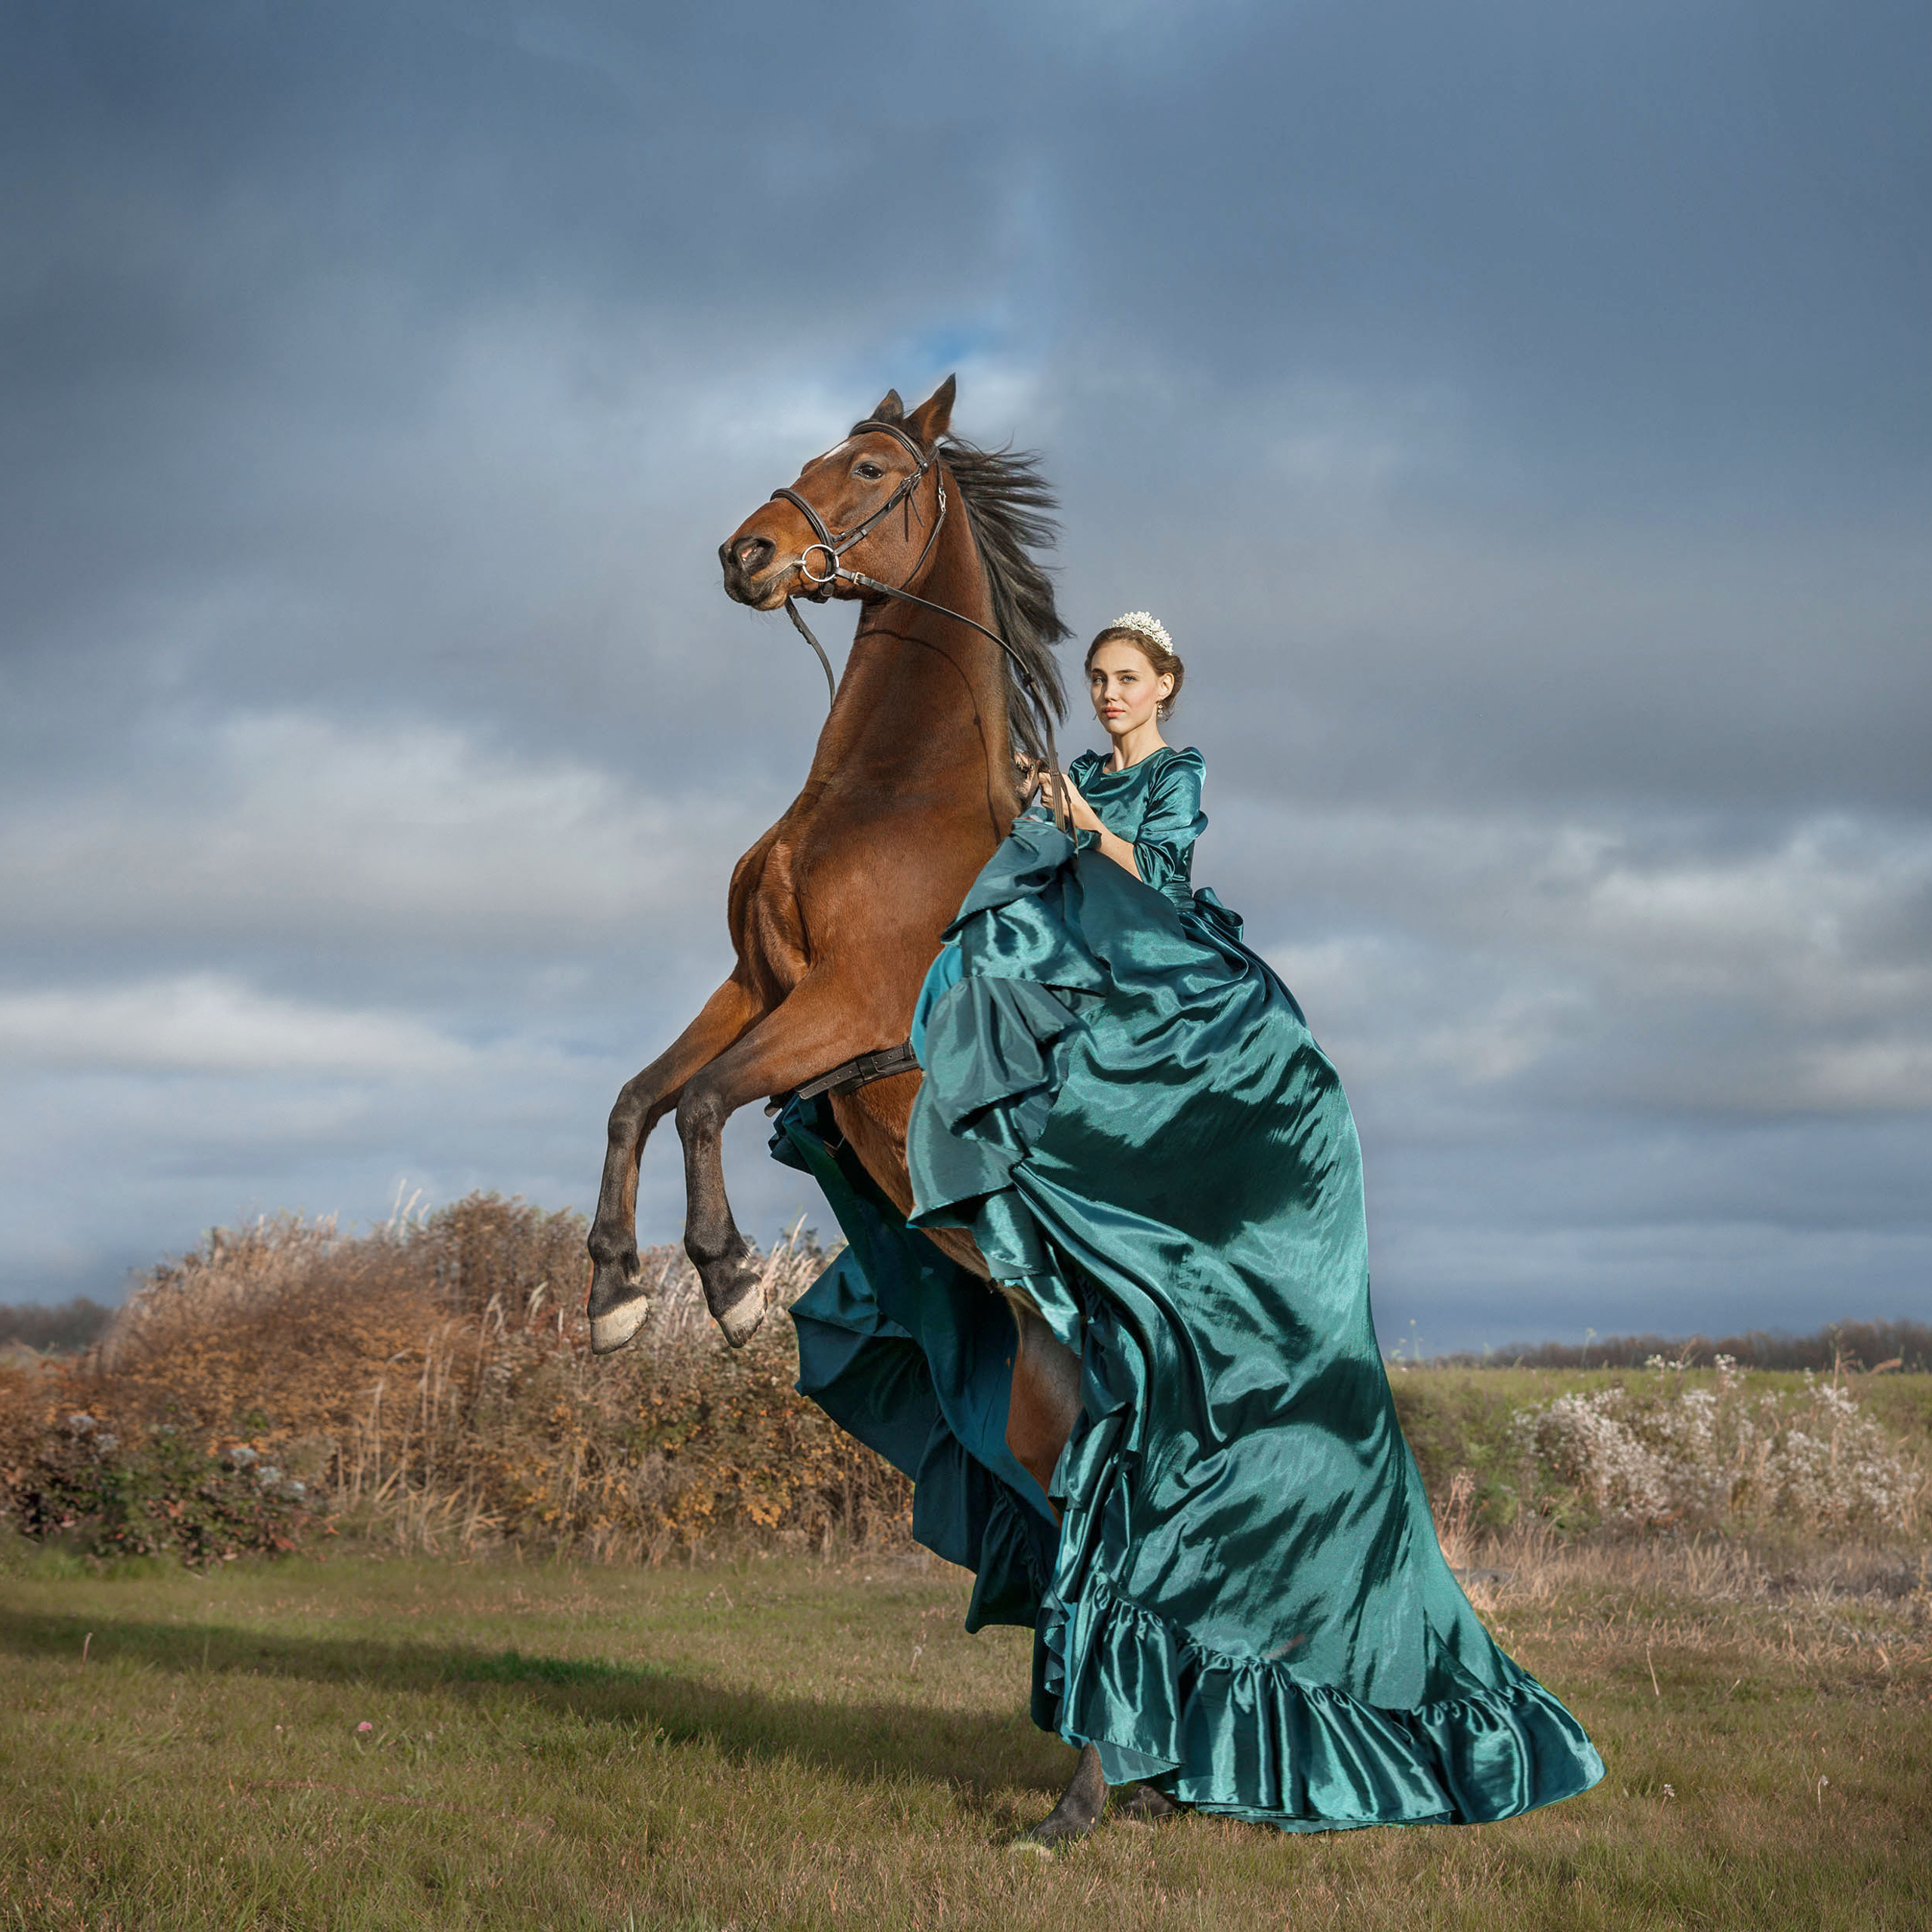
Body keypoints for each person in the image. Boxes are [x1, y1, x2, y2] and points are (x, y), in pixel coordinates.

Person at [777, 611, 1604, 1833]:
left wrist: (1077, 823)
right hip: (1092, 1004)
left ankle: (1140, 1759)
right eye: (1099, 682)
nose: (1109, 696)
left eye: (1128, 680)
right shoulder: (1081, 783)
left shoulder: (1167, 780)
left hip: (1177, 1011)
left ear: (1166, 685)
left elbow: (1149, 884)